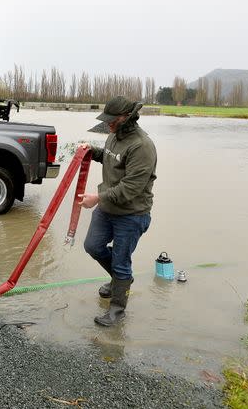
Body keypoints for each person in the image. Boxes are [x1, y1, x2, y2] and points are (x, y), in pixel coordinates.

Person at [78, 96, 157, 327]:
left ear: (126, 118)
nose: (109, 124)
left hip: (132, 214)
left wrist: (97, 198)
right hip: (107, 207)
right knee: (92, 246)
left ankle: (117, 309)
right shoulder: (114, 135)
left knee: (122, 261)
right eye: (108, 120)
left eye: (113, 120)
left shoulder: (142, 146)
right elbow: (109, 158)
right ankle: (120, 281)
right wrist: (91, 151)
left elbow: (131, 188)